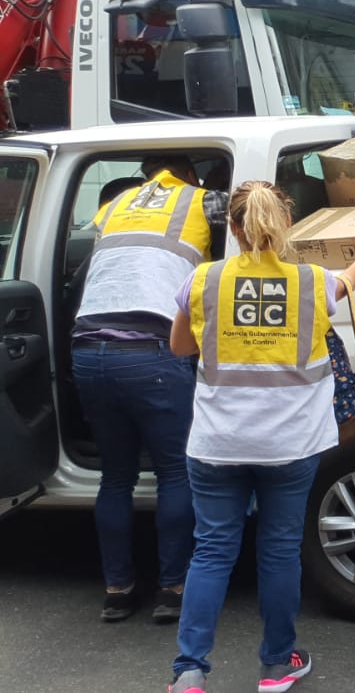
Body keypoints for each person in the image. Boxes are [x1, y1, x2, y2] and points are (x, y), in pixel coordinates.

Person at [166, 182, 355, 693]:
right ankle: (275, 666)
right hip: (289, 445)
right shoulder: (312, 281)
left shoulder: (203, 279)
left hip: (218, 443)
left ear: (234, 228)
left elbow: (180, 346)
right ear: (286, 223)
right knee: (280, 550)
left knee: (212, 552)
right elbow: (350, 281)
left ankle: (190, 671)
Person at [71, 155, 226, 623]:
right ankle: (171, 589)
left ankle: (117, 590)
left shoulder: (115, 204)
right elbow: (249, 212)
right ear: (190, 176)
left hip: (88, 350)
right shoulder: (202, 200)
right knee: (175, 472)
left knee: (114, 476)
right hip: (151, 350)